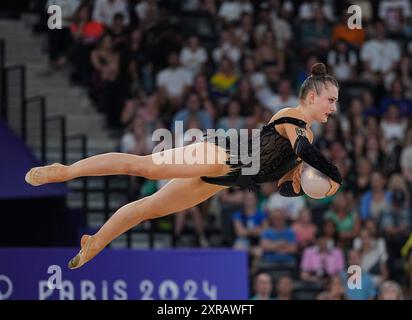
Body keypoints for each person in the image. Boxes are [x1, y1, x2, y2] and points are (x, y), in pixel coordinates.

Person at [25, 63, 342, 269]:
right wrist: (334, 174)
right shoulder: (295, 117)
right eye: (330, 99)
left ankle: (95, 242)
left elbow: (282, 187)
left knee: (149, 209)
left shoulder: (307, 138)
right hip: (220, 155)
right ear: (312, 96)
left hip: (222, 179)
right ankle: (65, 170)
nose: (334, 106)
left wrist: (299, 182)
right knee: (144, 167)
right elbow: (300, 146)